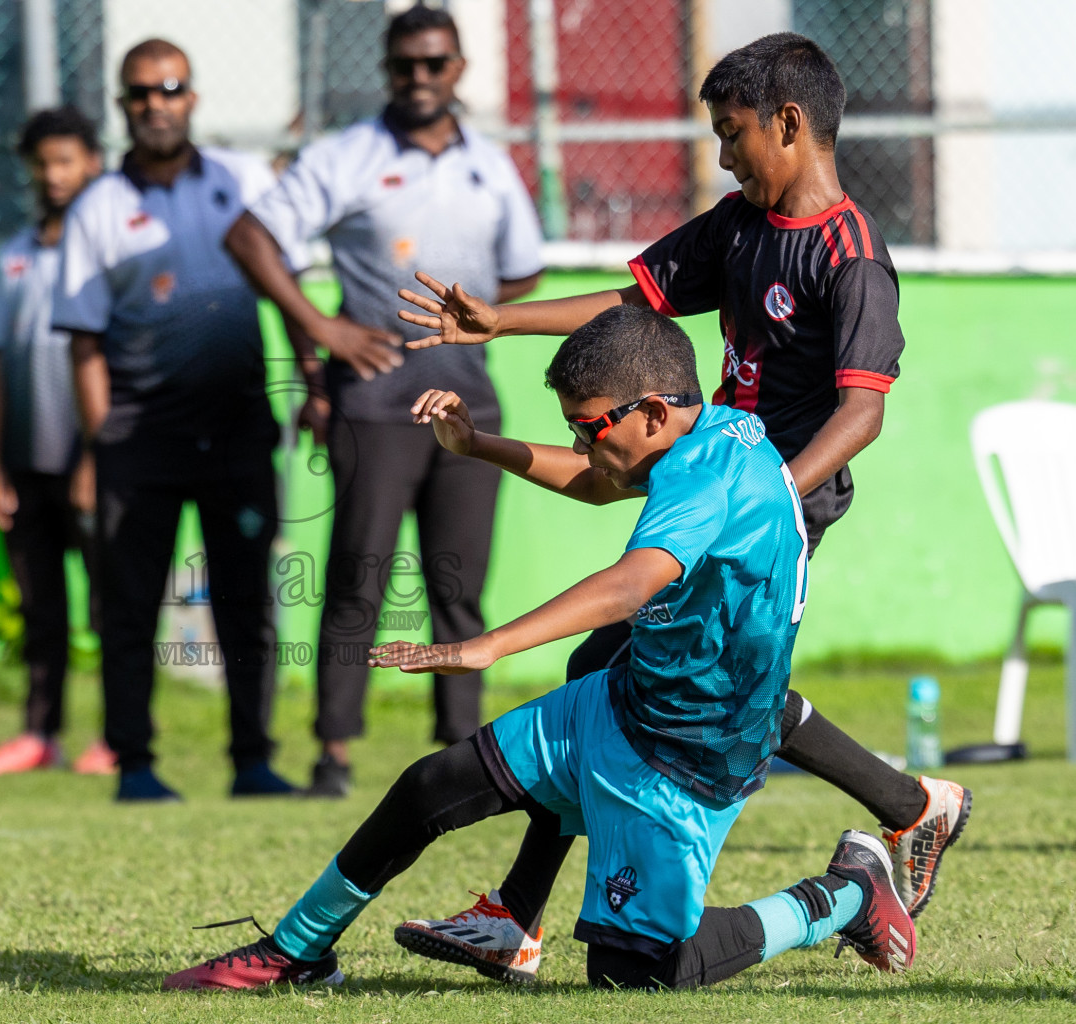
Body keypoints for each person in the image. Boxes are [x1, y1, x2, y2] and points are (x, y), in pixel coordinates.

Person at [389, 32, 968, 979]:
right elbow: (634, 304)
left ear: (789, 123)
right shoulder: (739, 223)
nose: (723, 153)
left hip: (775, 509)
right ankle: (906, 805)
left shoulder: (851, 257)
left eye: (732, 132)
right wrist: (500, 318)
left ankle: (516, 913)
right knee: (662, 677)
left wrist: (773, 496)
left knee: (637, 673)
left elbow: (860, 412)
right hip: (711, 491)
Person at [164, 307, 917, 991]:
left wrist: (487, 646)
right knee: (430, 787)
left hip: (686, 758)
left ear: (652, 412)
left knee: (638, 974)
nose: (580, 443)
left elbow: (630, 585)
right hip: (622, 708)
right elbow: (600, 483)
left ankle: (843, 894)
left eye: (588, 428)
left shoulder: (703, 477)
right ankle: (296, 950)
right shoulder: (706, 434)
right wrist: (474, 444)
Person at [225, 4, 543, 796]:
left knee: (460, 585)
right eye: (405, 65)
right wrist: (321, 328)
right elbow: (250, 236)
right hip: (373, 403)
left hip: (467, 404)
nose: (419, 78)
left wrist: (470, 318)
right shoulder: (348, 156)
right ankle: (333, 752)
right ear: (387, 69)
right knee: (358, 576)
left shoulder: (490, 165)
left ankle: (465, 753)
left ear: (458, 69)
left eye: (434, 64)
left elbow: (524, 268)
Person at [55, 39, 299, 802]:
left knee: (247, 603)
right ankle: (135, 764)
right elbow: (85, 343)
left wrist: (315, 387)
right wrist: (103, 447)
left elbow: (286, 289)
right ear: (122, 106)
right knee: (129, 609)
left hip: (238, 429)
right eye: (138, 94)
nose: (154, 104)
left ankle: (253, 760)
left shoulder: (241, 180)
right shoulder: (97, 206)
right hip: (141, 439)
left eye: (168, 89)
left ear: (190, 97)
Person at [0, 106, 116, 778]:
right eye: (42, 164)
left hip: (92, 466)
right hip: (25, 466)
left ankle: (119, 734)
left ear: (91, 163)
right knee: (40, 611)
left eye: (66, 161)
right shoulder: (18, 256)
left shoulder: (110, 255)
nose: (53, 176)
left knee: (111, 607)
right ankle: (39, 734)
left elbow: (110, 364)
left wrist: (95, 458)